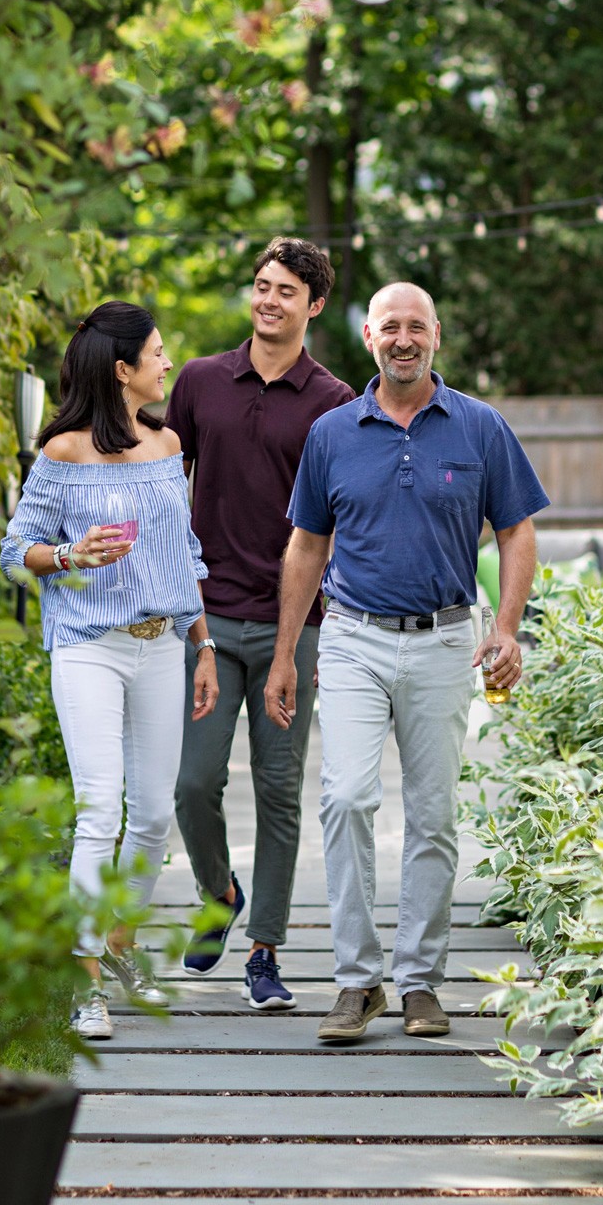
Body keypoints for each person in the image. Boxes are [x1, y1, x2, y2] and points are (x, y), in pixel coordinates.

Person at [266, 281, 549, 1044]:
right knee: (348, 798)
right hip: (352, 637)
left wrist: (509, 628)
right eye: (389, 327)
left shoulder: (480, 428)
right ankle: (357, 981)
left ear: (434, 336)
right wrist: (285, 652)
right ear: (366, 336)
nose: (402, 339)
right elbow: (306, 546)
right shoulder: (330, 433)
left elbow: (515, 532)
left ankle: (420, 980)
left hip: (444, 638)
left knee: (432, 813)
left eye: (415, 327)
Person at [0, 302, 221, 1042]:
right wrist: (68, 556)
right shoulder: (62, 455)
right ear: (121, 370)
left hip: (162, 645)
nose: (167, 363)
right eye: (156, 353)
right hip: (88, 644)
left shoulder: (167, 444)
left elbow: (183, 554)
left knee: (154, 815)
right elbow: (14, 550)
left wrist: (203, 644)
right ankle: (83, 979)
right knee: (101, 808)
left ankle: (118, 941)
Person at [166, 239, 354, 1008]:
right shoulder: (200, 382)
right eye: (260, 286)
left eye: (285, 292)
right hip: (206, 624)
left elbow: (332, 528)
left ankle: (264, 955)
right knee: (192, 783)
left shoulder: (334, 403)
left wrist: (292, 646)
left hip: (291, 630)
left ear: (314, 306)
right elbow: (158, 484)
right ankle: (219, 893)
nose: (268, 300)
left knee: (279, 792)